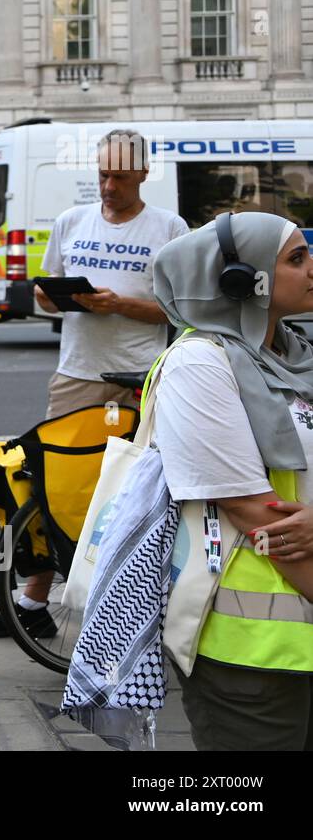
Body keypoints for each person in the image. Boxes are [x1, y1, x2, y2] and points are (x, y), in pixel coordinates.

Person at [0, 128, 188, 640]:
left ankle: (143, 606)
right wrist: (55, 298)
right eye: (101, 175)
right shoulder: (72, 221)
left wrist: (119, 306)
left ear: (142, 173)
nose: (108, 186)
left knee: (139, 491)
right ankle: (33, 603)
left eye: (118, 176)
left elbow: (178, 309)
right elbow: (47, 295)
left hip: (140, 377)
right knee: (50, 485)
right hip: (76, 374)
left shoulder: (168, 228)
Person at [150, 211, 313, 750]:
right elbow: (259, 517)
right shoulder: (199, 366)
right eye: (296, 258)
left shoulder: (295, 354)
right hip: (252, 656)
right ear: (242, 281)